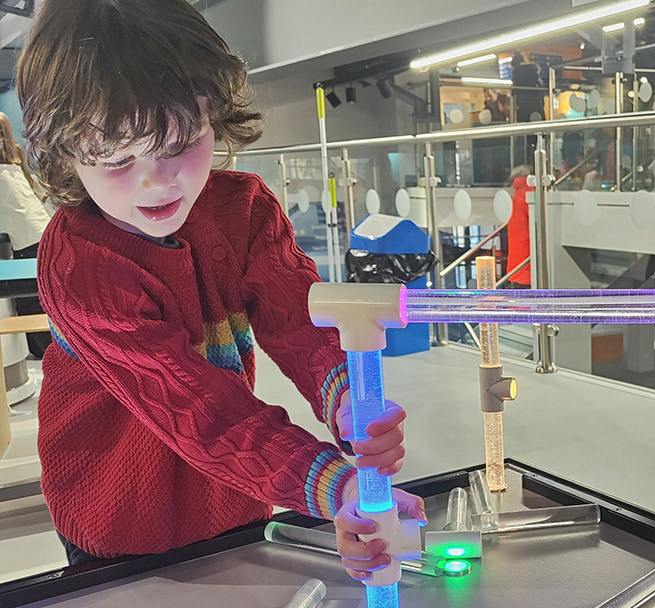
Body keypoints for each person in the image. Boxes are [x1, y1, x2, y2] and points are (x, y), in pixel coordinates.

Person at [17, 0, 422, 580]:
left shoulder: (244, 210)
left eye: (181, 142)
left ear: (214, 116)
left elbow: (302, 320)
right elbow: (192, 404)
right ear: (66, 155)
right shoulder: (79, 262)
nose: (158, 179)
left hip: (235, 494)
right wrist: (333, 483)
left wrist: (348, 401)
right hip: (118, 510)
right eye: (115, 158)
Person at [0, 111, 52, 357]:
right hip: (42, 236)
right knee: (38, 300)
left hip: (28, 245)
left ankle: (47, 352)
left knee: (30, 303)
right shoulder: (14, 162)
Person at [505, 165, 533, 289]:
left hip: (517, 262)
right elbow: (536, 216)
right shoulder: (529, 189)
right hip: (528, 261)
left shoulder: (517, 192)